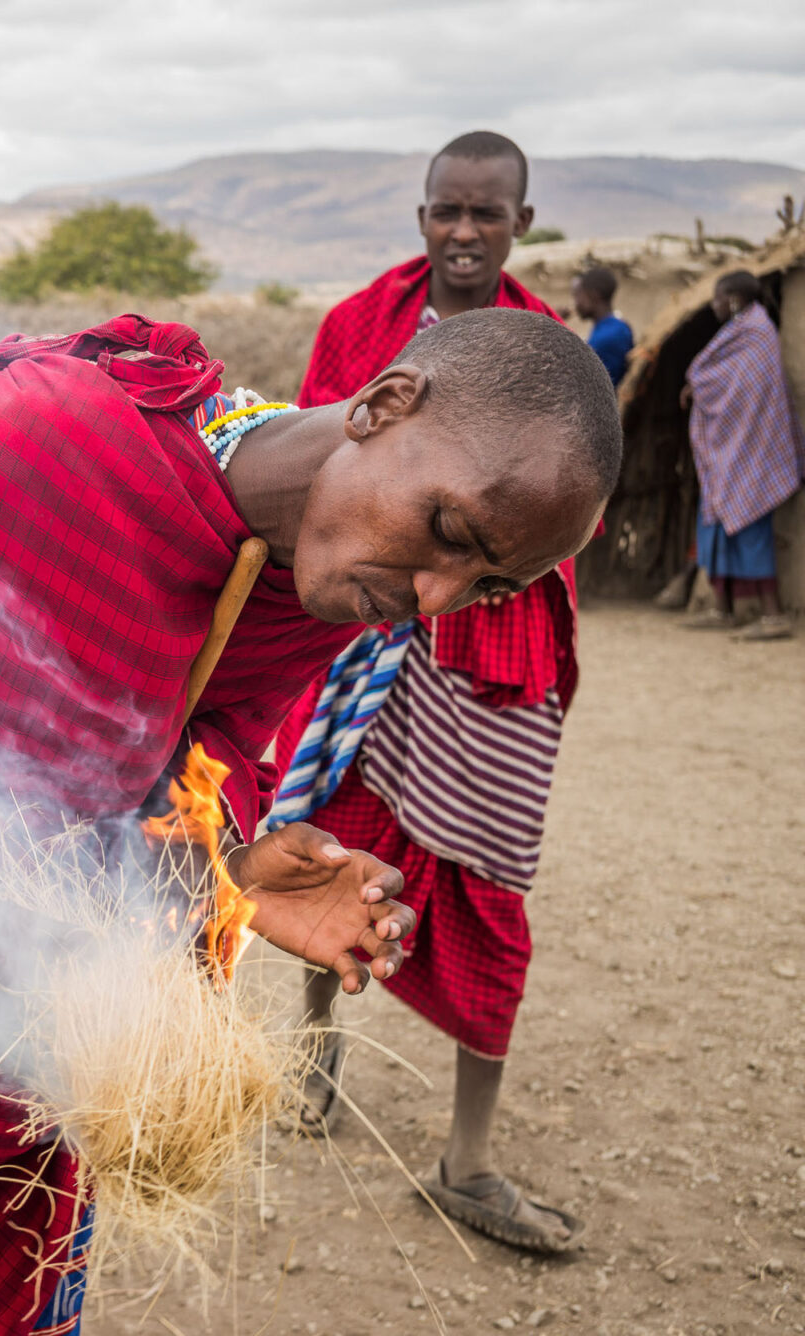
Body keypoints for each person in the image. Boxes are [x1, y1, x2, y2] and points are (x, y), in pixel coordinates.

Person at [0, 305, 620, 1334]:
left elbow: (162, 781)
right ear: (381, 404)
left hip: (36, 994)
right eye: (448, 532)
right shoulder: (52, 439)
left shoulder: (311, 579)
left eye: (482, 585)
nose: (431, 593)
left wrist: (227, 875)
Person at [273, 130, 592, 1255]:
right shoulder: (359, 326)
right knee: (329, 837)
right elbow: (323, 478)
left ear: (519, 223)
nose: (463, 233)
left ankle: (468, 1158)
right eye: (444, 213)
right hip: (369, 642)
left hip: (492, 657)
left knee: (490, 884)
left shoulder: (544, 352)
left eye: (486, 216)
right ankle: (312, 1056)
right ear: (420, 217)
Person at [678, 269, 802, 641]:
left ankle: (773, 615)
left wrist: (698, 385)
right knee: (715, 527)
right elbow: (725, 379)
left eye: (717, 298)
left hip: (753, 451)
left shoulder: (757, 332)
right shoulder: (742, 331)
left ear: (732, 299)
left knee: (752, 530)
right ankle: (722, 608)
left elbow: (743, 388)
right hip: (730, 453)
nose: (713, 305)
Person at [571, 266, 633, 386]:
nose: (576, 303)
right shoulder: (620, 326)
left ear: (593, 295)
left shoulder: (604, 339)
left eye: (578, 295)